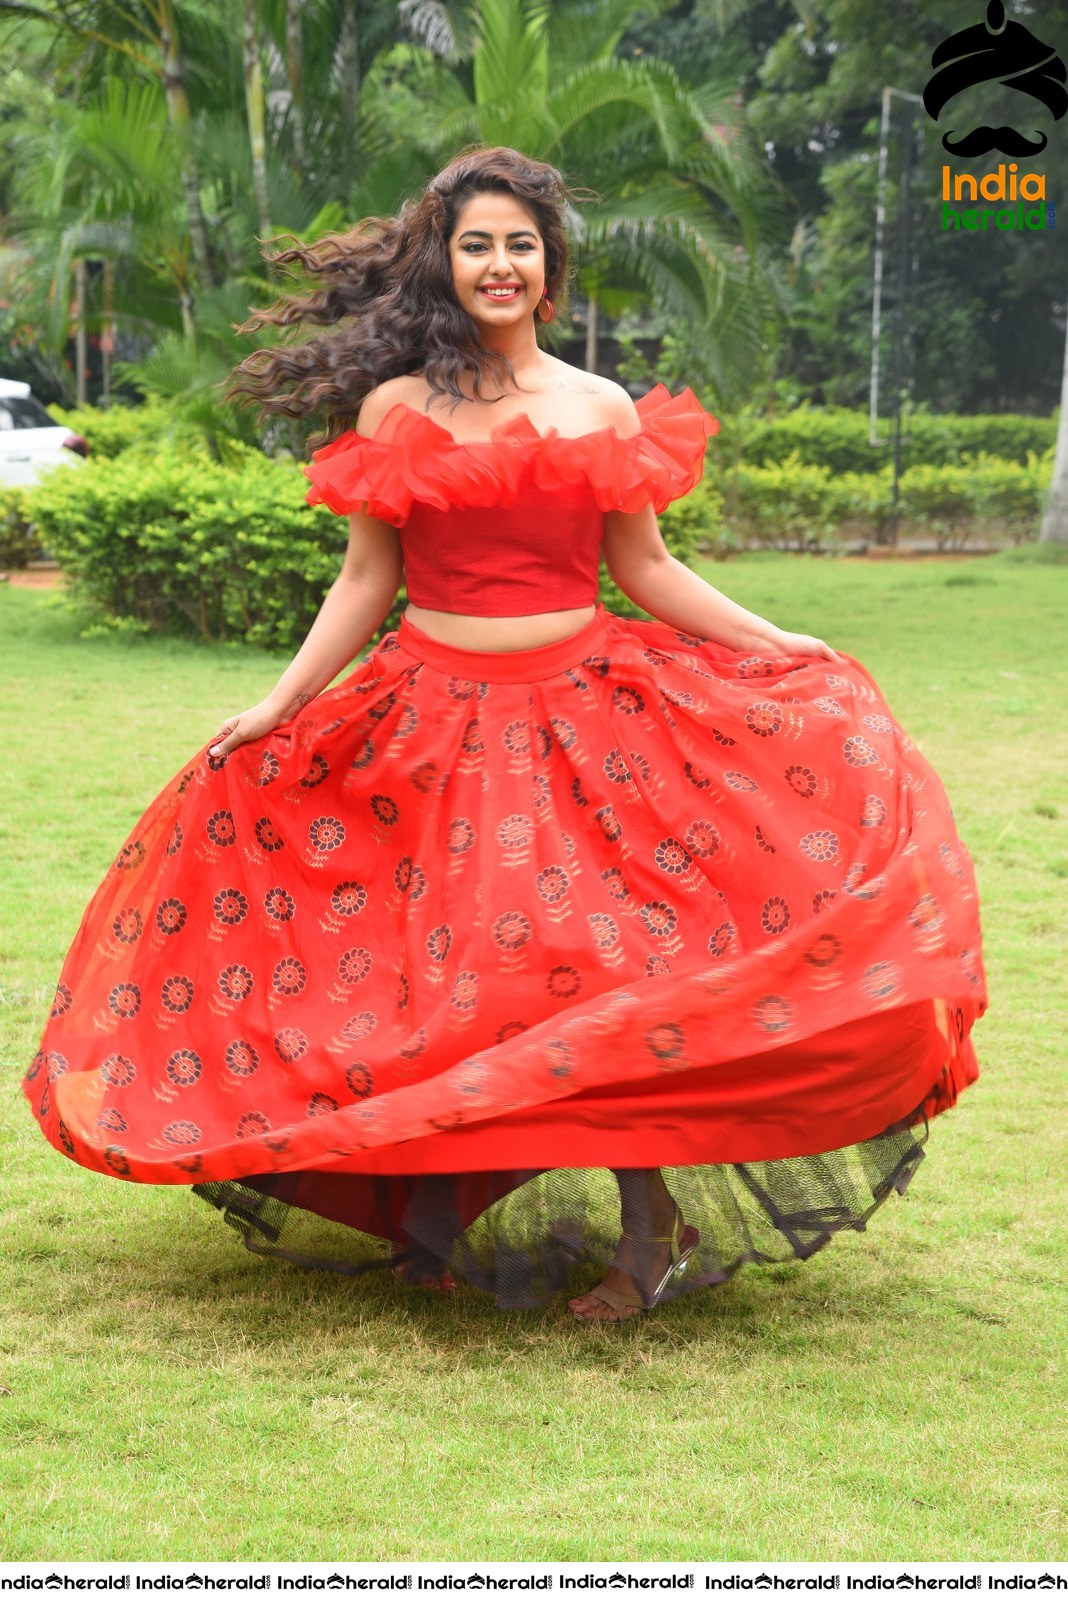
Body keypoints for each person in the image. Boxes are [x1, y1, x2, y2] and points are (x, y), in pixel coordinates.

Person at [24, 147, 985, 1321]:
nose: (499, 264)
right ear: (443, 258)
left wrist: (779, 640)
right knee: (438, 973)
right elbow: (364, 582)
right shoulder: (395, 407)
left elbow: (647, 568)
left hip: (583, 721)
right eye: (476, 243)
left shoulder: (599, 405)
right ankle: (433, 1206)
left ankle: (651, 1228)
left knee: (606, 967)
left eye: (520, 244)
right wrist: (277, 707)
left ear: (550, 265)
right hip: (426, 728)